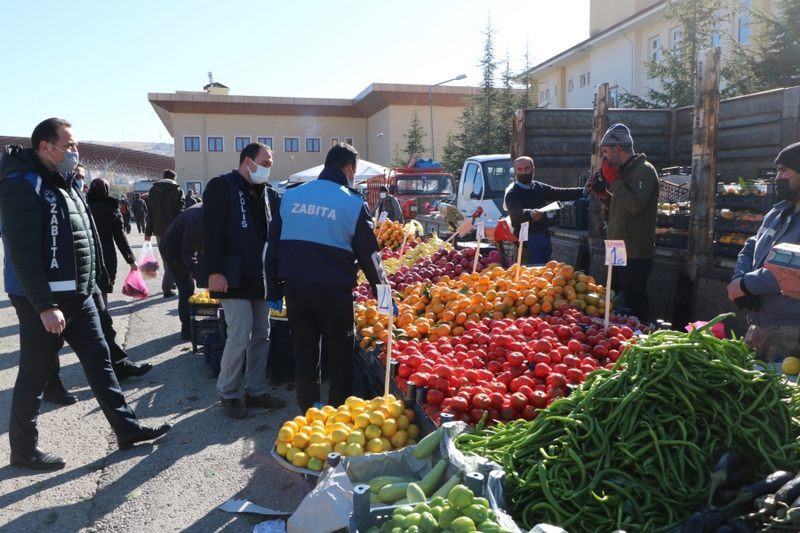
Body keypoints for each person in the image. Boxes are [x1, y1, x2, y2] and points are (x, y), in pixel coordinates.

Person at [0, 118, 170, 470]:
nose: (75, 151)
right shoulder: (21, 184)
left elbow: (85, 238)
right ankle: (23, 449)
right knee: (34, 373)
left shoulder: (65, 183)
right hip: (44, 302)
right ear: (45, 146)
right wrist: (44, 305)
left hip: (80, 294)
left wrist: (94, 282)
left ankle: (127, 429)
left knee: (101, 363)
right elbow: (22, 251)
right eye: (70, 144)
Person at [267, 143, 388, 412]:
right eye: (354, 172)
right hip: (334, 294)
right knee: (340, 357)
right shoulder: (352, 202)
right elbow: (370, 255)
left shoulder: (290, 197)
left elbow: (272, 246)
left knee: (305, 355)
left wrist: (273, 290)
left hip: (296, 291)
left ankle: (308, 414)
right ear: (347, 169)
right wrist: (383, 293)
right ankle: (337, 417)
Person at [202, 142, 286, 419]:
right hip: (231, 276)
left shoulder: (269, 194)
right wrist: (214, 271)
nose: (268, 168)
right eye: (265, 163)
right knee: (240, 333)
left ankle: (255, 389)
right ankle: (228, 392)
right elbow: (210, 232)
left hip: (260, 277)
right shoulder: (221, 186)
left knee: (262, 334)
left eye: (270, 165)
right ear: (247, 161)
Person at [727, 142, 800, 361]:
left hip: (789, 331)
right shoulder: (778, 212)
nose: (779, 178)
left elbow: (792, 266)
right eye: (778, 170)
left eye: (784, 170)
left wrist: (746, 285)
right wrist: (740, 277)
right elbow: (751, 246)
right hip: (758, 324)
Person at [587, 123, 659, 322]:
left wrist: (614, 181)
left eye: (606, 151)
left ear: (617, 149)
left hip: (634, 251)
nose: (605, 157)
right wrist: (604, 193)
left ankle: (639, 337)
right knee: (615, 297)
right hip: (617, 246)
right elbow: (622, 204)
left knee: (634, 301)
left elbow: (635, 205)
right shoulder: (624, 171)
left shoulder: (644, 171)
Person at [503, 156, 586, 264]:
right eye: (520, 169)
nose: (523, 172)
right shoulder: (512, 193)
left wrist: (583, 191)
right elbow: (516, 212)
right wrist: (530, 214)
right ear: (515, 171)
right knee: (527, 274)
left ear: (533, 169)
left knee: (543, 273)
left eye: (527, 168)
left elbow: (560, 193)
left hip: (543, 238)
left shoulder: (539, 187)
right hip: (525, 242)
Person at [87, 178, 137, 306]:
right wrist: (131, 260)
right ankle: (104, 321)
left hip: (85, 254)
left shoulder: (82, 205)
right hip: (106, 255)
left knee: (86, 293)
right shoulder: (112, 208)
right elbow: (120, 238)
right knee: (103, 290)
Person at [160, 203, 203, 340]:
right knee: (186, 288)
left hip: (180, 243)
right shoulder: (198, 216)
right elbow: (188, 251)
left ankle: (190, 325)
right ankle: (187, 329)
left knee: (188, 286)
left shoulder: (206, 210)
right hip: (173, 249)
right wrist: (198, 275)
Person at [145, 169, 183, 297]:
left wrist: (148, 232)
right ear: (174, 179)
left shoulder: (153, 191)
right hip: (174, 230)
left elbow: (150, 213)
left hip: (159, 230)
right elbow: (180, 212)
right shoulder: (178, 190)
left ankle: (171, 282)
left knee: (166, 258)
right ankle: (167, 287)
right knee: (174, 258)